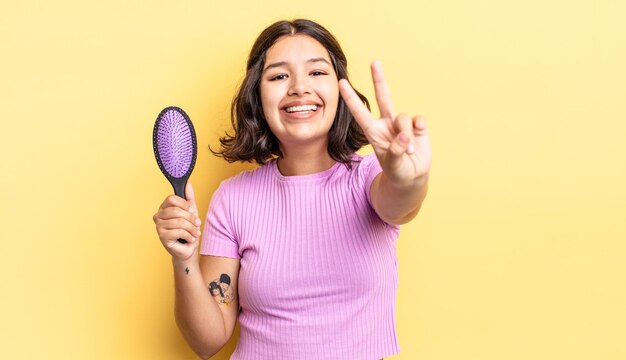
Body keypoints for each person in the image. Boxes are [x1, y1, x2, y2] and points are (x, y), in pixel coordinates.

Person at [152, 18, 431, 360]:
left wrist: (407, 178)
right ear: (258, 97)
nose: (299, 87)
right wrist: (184, 260)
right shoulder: (233, 198)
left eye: (316, 72)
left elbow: (400, 201)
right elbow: (207, 341)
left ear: (341, 90)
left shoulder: (371, 178)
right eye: (279, 76)